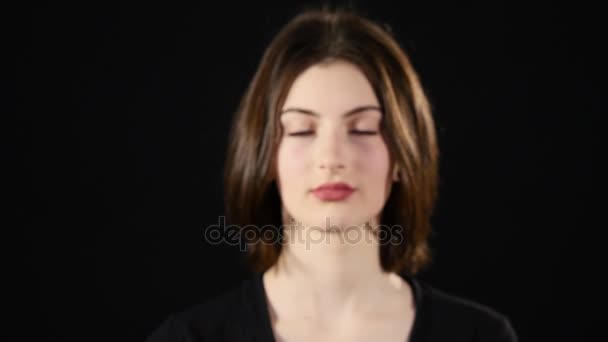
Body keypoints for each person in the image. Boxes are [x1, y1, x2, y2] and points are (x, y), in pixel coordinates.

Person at [146, 6, 518, 342]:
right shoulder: (189, 337)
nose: (331, 158)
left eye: (362, 129)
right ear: (265, 156)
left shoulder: (480, 335)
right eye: (302, 131)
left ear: (404, 155)